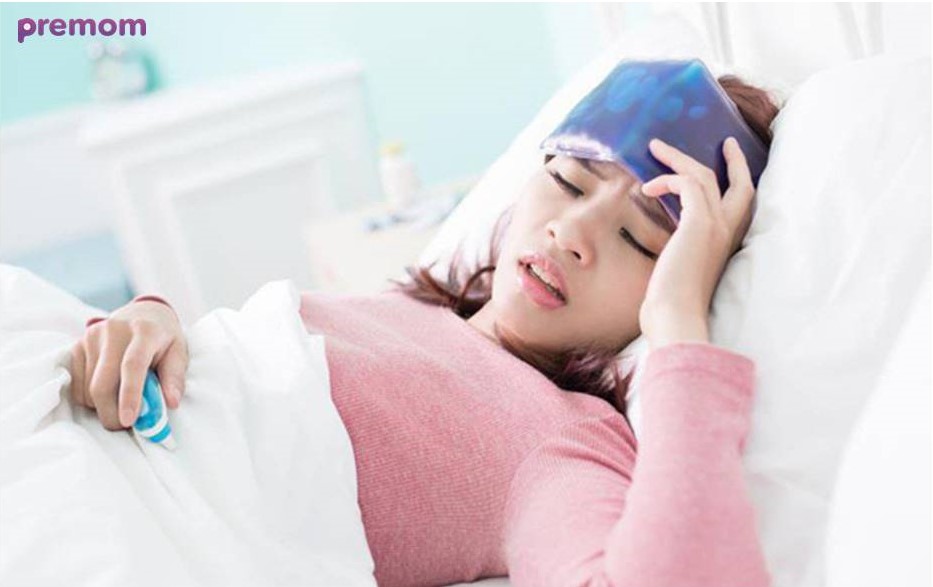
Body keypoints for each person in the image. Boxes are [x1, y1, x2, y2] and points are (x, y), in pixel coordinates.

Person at [69, 64, 781, 587]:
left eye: (637, 239)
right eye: (567, 182)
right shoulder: (405, 310)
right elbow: (235, 369)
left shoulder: (559, 440)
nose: (570, 233)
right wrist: (151, 320)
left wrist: (678, 324)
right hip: (89, 426)